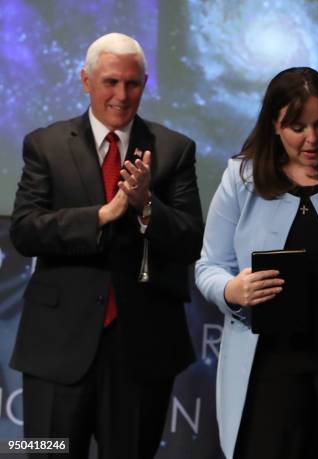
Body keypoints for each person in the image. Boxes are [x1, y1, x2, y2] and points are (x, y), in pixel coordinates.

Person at [10, 33, 204, 458]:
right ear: (86, 80)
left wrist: (146, 206)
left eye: (132, 84)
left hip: (142, 348)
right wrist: (102, 215)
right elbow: (24, 231)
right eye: (110, 82)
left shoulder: (173, 150)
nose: (121, 95)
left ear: (145, 83)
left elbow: (191, 240)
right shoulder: (45, 145)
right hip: (56, 349)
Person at [194, 67, 318, 459]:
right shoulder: (242, 175)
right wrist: (232, 289)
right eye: (297, 127)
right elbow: (208, 268)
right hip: (269, 366)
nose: (312, 139)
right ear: (274, 124)